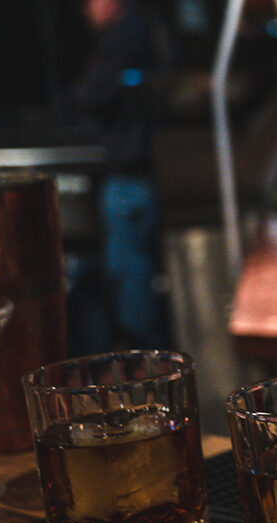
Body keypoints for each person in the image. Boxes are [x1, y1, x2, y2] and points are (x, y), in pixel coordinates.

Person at [72, 0, 168, 350]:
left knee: (129, 275)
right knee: (129, 272)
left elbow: (91, 95)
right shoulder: (141, 32)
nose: (85, 9)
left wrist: (87, 85)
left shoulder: (124, 37)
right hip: (135, 174)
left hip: (130, 176)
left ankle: (143, 362)